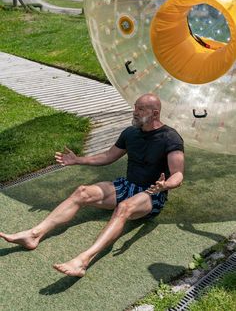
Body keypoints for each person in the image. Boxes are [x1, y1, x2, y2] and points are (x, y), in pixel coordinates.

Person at [0, 93, 184, 277]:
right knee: (82, 192)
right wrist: (78, 160)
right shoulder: (130, 133)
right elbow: (108, 156)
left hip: (152, 193)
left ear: (155, 113)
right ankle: (34, 234)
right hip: (128, 186)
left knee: (124, 207)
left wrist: (164, 185)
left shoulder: (170, 138)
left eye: (140, 109)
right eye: (135, 107)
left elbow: (178, 174)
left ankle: (83, 261)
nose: (134, 112)